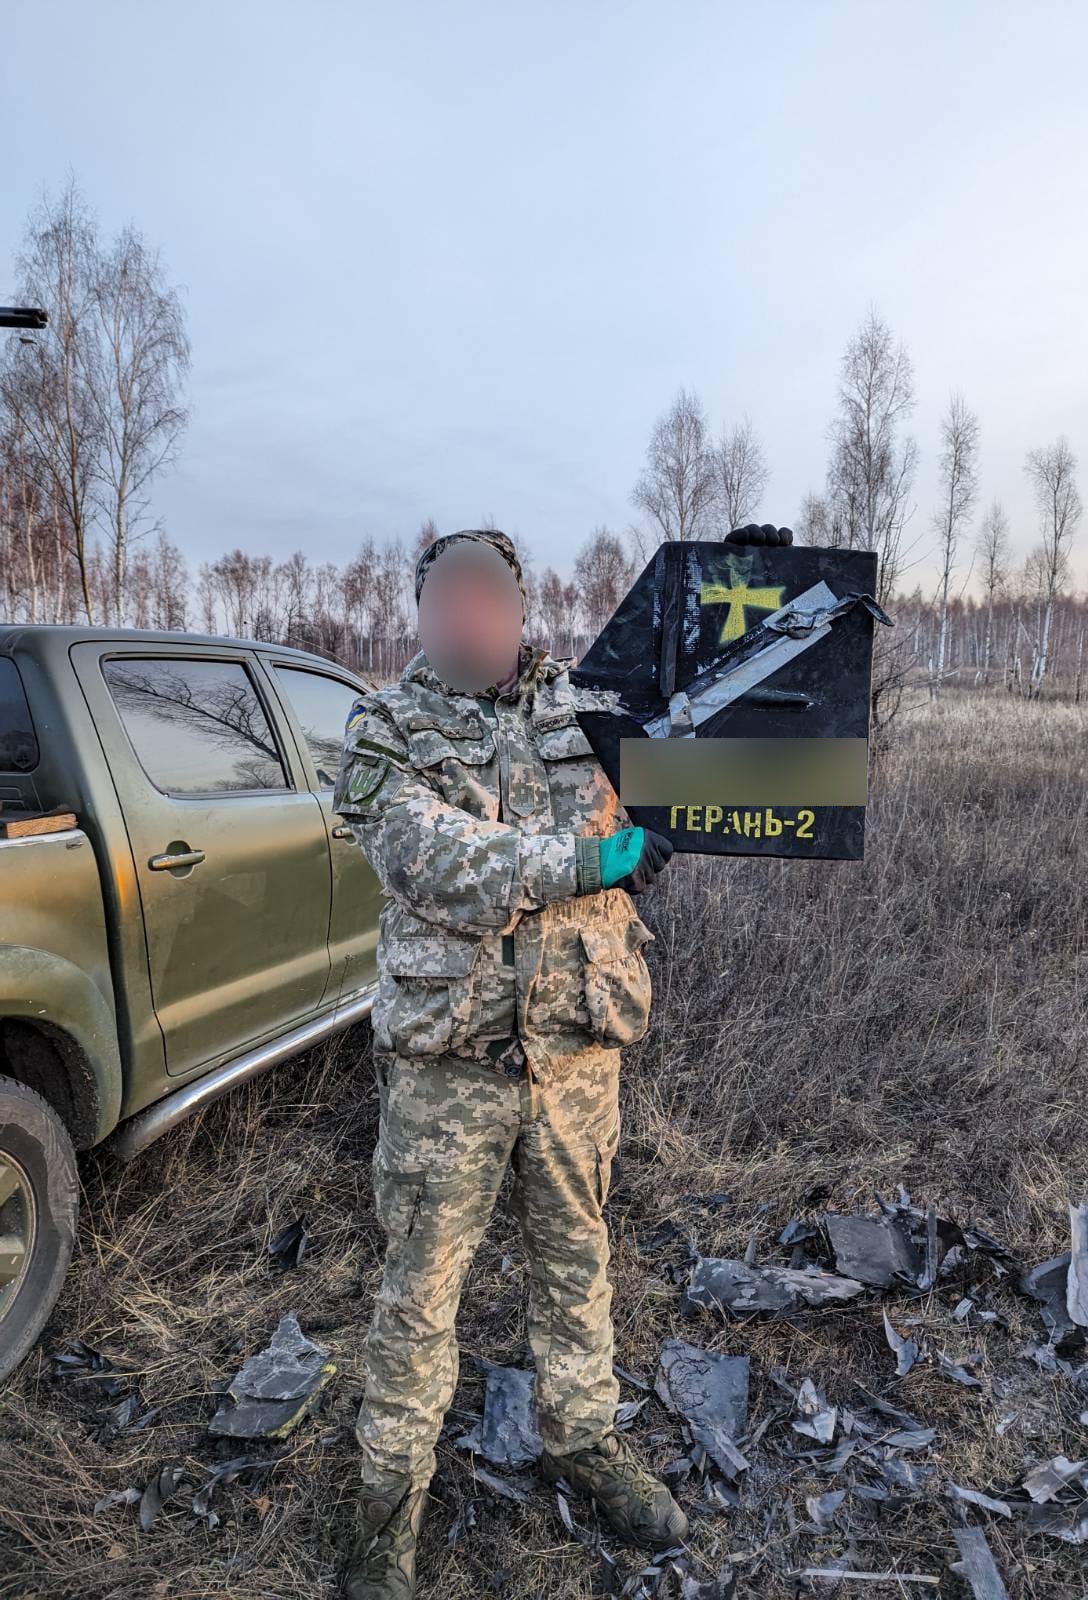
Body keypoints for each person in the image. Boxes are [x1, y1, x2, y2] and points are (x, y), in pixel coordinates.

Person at [334, 528, 680, 1599]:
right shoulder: (384, 727)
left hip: (574, 1058)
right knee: (418, 1299)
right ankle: (383, 1519)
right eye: (444, 599)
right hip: (452, 1072)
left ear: (521, 613)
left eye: (485, 598)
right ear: (420, 614)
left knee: (579, 1272)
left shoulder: (595, 713)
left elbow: (711, 751)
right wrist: (592, 858)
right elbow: (431, 856)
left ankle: (583, 1443)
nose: (464, 617)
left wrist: (734, 593)